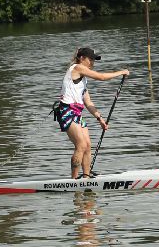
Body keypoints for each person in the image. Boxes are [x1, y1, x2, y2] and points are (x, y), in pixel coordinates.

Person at [55, 46, 129, 178]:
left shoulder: (83, 79)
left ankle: (86, 177)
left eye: (94, 60)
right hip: (66, 111)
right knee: (81, 144)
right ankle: (73, 181)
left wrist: (100, 119)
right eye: (91, 60)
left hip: (77, 113)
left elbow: (88, 103)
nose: (93, 63)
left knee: (88, 145)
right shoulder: (77, 68)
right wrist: (121, 72)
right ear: (82, 58)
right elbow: (101, 77)